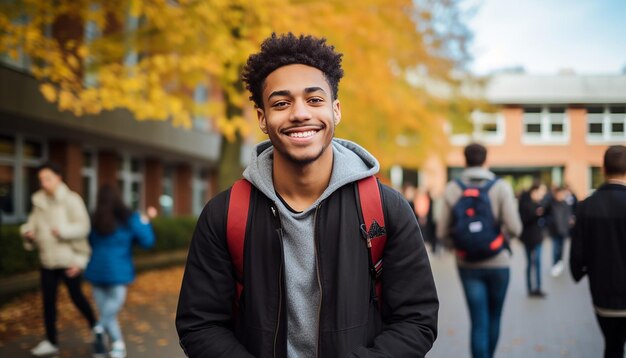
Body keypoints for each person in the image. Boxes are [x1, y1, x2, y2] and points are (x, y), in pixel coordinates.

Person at [175, 33, 438, 357]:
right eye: (281, 103)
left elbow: (417, 319)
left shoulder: (386, 208)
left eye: (314, 100)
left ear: (336, 111)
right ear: (262, 118)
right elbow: (200, 324)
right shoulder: (225, 214)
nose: (299, 113)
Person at [437, 143, 522, 358]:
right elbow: (515, 227)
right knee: (494, 318)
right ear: (486, 160)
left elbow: (441, 231)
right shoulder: (500, 186)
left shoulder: (452, 188)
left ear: (464, 161)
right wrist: (501, 241)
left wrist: (457, 246)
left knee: (478, 322)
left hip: (467, 264)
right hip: (498, 262)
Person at [19, 162, 97, 357]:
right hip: (47, 260)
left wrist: (63, 232)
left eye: (48, 178)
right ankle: (51, 341)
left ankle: (97, 328)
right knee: (48, 303)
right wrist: (28, 233)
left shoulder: (71, 200)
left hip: (69, 261)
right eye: (41, 180)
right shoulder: (38, 201)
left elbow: (84, 227)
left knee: (77, 298)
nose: (44, 183)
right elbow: (31, 224)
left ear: (58, 177)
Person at [84, 185, 157, 358]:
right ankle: (102, 330)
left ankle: (114, 344)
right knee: (111, 309)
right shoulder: (129, 219)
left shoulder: (95, 218)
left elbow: (91, 242)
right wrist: (146, 221)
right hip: (118, 270)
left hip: (96, 270)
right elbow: (147, 241)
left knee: (106, 311)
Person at [571, 145, 626, 358]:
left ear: (603, 169)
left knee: (612, 347)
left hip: (603, 294)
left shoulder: (587, 206)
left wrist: (578, 272)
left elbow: (577, 253)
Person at [518, 182, 548, 297]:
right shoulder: (525, 202)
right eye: (540, 192)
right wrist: (535, 214)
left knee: (538, 262)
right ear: (534, 191)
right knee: (530, 263)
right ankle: (530, 288)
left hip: (538, 237)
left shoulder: (541, 202)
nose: (542, 195)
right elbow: (523, 219)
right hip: (527, 237)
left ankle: (538, 288)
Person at [546, 186, 573, 277]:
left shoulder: (565, 204)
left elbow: (569, 216)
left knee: (561, 248)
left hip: (563, 230)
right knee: (555, 248)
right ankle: (555, 264)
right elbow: (545, 213)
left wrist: (569, 224)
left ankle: (559, 263)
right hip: (554, 230)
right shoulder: (551, 203)